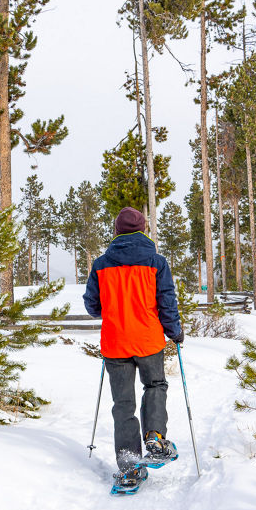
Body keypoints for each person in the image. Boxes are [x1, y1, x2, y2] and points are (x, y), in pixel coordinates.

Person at [83, 206, 184, 493]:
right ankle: (154, 435)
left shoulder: (102, 265)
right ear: (143, 231)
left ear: (116, 231)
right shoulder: (156, 262)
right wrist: (175, 331)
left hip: (115, 343)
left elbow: (92, 307)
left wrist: (114, 307)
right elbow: (167, 302)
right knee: (155, 385)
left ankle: (129, 464)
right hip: (149, 340)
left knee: (123, 404)